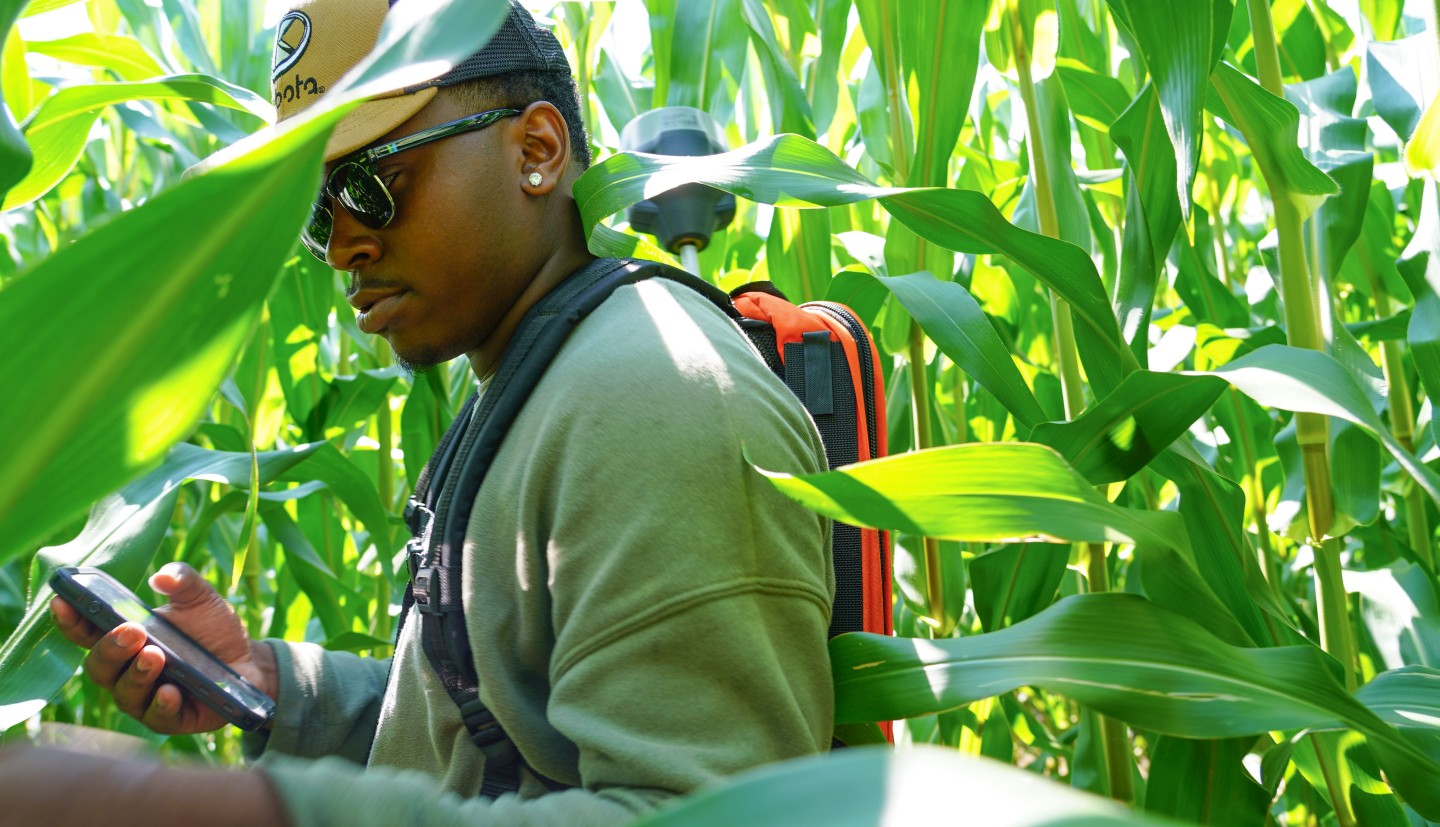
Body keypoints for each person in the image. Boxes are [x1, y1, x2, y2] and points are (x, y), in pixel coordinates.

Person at [7, 1, 835, 825]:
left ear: (536, 150)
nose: (342, 248)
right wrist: (276, 688)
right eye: (317, 210)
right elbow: (497, 740)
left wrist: (227, 810)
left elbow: (702, 810)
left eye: (373, 183)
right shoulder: (541, 378)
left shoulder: (653, 393)